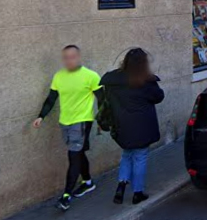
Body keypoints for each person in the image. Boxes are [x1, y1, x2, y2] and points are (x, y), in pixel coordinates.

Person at [33, 45, 102, 211]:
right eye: (66, 57)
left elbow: (102, 99)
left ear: (79, 57)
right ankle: (88, 182)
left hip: (82, 121)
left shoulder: (91, 76)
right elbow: (51, 99)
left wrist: (101, 120)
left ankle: (66, 196)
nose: (69, 60)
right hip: (65, 122)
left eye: (72, 57)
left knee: (73, 156)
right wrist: (41, 116)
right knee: (79, 153)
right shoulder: (59, 76)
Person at [102, 48, 165, 204]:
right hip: (143, 127)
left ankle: (121, 185)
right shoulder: (146, 81)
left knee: (127, 154)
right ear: (144, 64)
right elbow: (159, 97)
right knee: (140, 157)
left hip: (122, 126)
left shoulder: (113, 80)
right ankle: (138, 192)